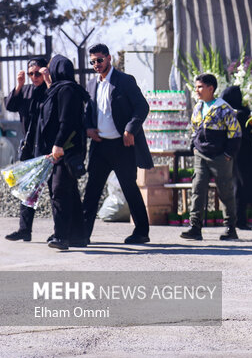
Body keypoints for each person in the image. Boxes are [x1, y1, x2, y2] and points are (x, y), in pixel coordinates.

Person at [82, 43, 154, 245]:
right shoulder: (91, 84)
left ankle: (141, 232)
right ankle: (83, 233)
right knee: (92, 190)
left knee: (129, 188)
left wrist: (130, 129)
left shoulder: (124, 81)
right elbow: (88, 113)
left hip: (122, 145)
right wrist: (88, 128)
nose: (96, 64)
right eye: (93, 61)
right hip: (100, 146)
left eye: (99, 60)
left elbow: (142, 106)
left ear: (109, 58)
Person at [35, 55, 89, 250]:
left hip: (65, 149)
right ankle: (79, 236)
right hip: (63, 149)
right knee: (70, 191)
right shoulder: (61, 88)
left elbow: (66, 121)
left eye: (51, 68)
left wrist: (57, 144)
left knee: (59, 191)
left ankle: (61, 236)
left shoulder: (66, 90)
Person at [180, 74, 242, 241]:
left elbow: (235, 134)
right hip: (201, 154)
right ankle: (195, 226)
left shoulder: (224, 109)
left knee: (225, 191)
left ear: (211, 88)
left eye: (200, 87)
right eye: (196, 87)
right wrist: (194, 146)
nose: (197, 90)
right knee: (197, 188)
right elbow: (194, 129)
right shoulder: (198, 107)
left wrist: (228, 154)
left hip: (220, 156)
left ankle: (230, 227)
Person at [4, 57, 49, 242]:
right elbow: (10, 105)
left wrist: (48, 81)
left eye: (37, 73)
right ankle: (25, 229)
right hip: (29, 146)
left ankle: (64, 231)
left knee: (57, 190)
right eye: (31, 74)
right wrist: (19, 85)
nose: (34, 77)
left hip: (48, 147)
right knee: (27, 188)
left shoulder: (51, 88)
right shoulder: (26, 90)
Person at [221, 85, 252, 230]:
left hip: (233, 154)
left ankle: (237, 220)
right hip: (245, 156)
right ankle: (239, 220)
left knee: (237, 187)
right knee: (241, 188)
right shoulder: (242, 113)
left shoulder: (227, 113)